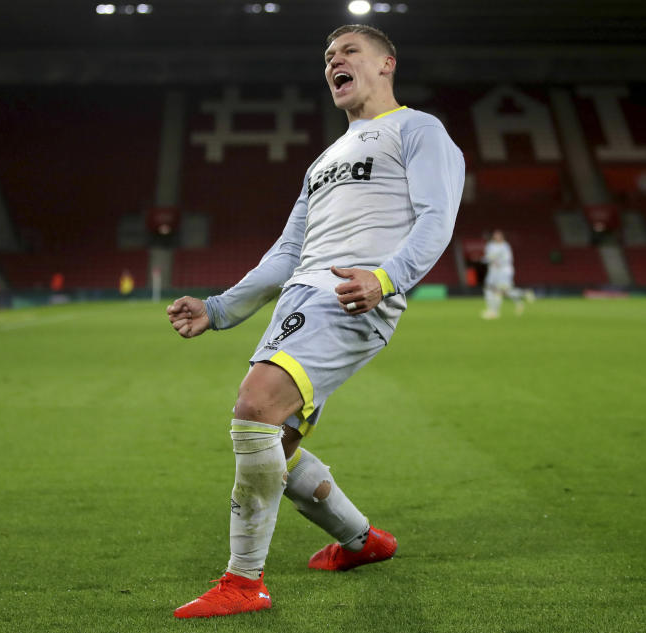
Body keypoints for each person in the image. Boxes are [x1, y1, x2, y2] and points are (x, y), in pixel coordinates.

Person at [166, 24, 466, 619]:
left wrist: (384, 279)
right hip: (302, 298)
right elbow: (286, 252)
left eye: (350, 51)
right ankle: (362, 541)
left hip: (351, 296)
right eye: (329, 56)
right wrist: (221, 307)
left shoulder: (418, 130)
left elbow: (438, 219)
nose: (335, 61)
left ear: (386, 64)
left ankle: (243, 581)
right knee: (278, 438)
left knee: (254, 408)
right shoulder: (324, 159)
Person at [480, 230, 534, 319]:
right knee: (494, 289)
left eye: (498, 236)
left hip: (503, 271)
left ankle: (494, 312)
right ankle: (522, 296)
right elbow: (488, 257)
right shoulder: (490, 245)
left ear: (502, 237)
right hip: (493, 271)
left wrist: (498, 262)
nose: (497, 237)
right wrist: (485, 260)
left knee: (501, 291)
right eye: (495, 236)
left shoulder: (505, 246)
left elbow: (507, 259)